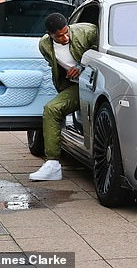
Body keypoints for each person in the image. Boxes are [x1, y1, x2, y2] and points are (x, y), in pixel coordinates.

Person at [29, 13, 98, 181]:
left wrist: (81, 66)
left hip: (97, 83)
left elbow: (103, 52)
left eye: (66, 32)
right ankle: (52, 165)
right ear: (50, 34)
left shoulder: (88, 31)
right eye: (59, 36)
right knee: (51, 109)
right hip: (76, 87)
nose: (65, 37)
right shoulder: (44, 45)